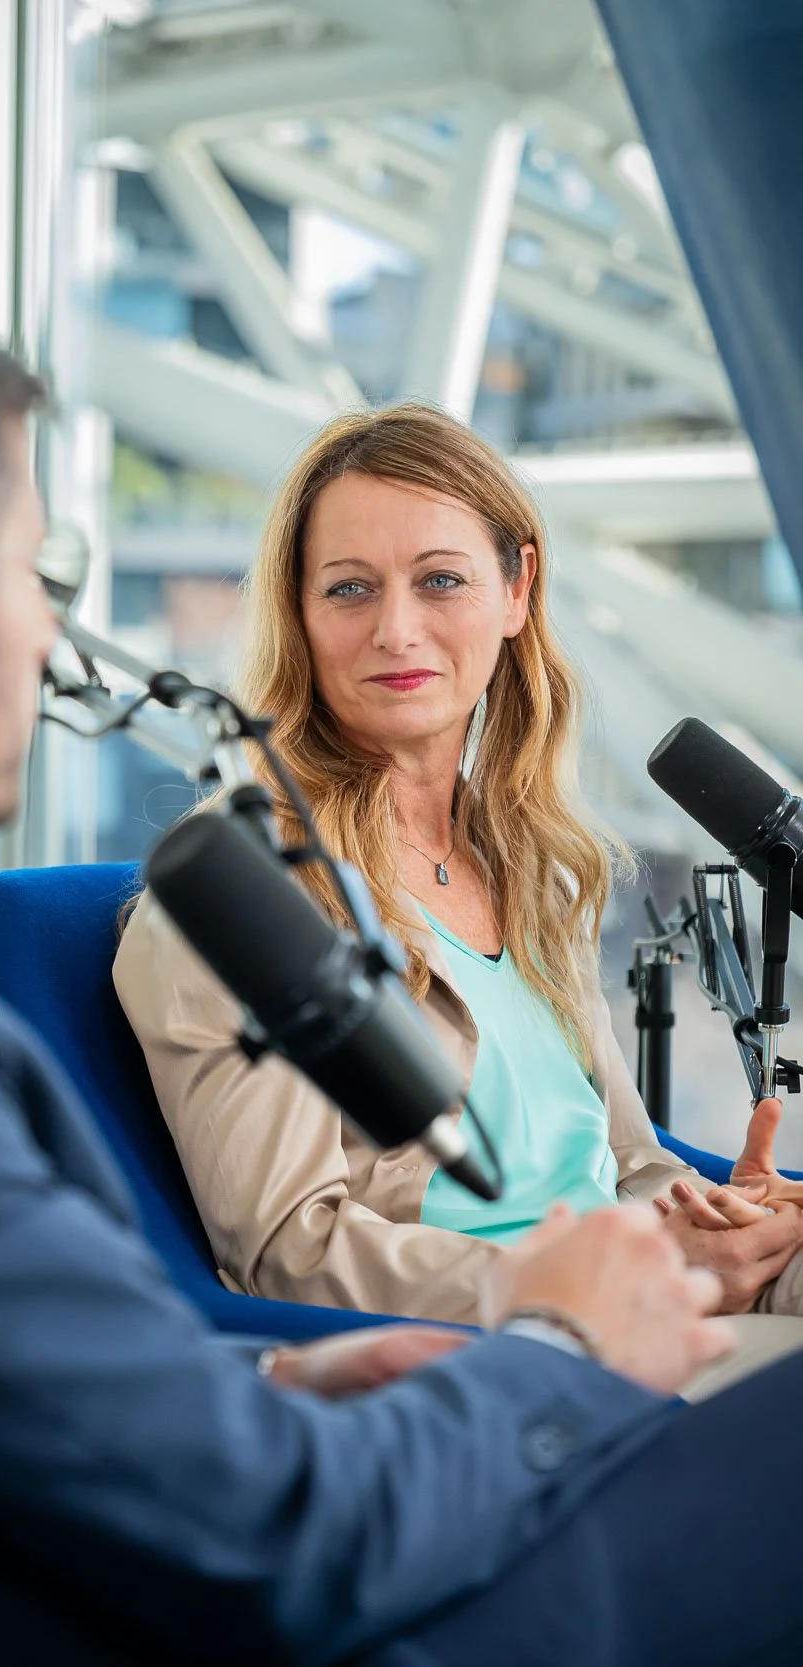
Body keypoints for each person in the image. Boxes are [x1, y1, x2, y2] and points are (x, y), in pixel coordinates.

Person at [0, 292, 803, 1667]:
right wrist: (563, 1341)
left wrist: (272, 1378)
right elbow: (278, 1532)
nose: (57, 651)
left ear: (516, 592)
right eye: (42, 582)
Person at [114, 404, 803, 1366]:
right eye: (349, 589)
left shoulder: (528, 861)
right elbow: (287, 1250)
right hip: (483, 1356)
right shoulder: (244, 896)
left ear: (517, 589)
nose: (396, 629)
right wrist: (605, 1276)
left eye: (440, 580)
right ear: (299, 615)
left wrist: (735, 1228)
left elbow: (627, 1168)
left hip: (632, 1311)